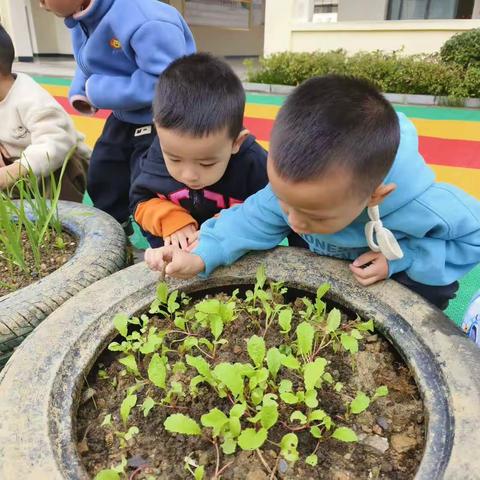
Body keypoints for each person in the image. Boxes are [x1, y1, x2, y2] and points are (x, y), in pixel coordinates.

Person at [144, 75, 480, 310]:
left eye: (314, 214)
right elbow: (249, 220)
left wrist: (402, 259)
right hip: (341, 263)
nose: (295, 222)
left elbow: (473, 235)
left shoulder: (423, 203)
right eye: (284, 202)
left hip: (409, 273)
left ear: (374, 195)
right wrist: (199, 256)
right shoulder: (299, 192)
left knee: (419, 307)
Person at [39, 0, 196, 233]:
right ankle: (116, 231)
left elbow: (166, 79)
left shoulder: (146, 20)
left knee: (151, 180)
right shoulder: (82, 16)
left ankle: (162, 238)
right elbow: (86, 63)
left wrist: (98, 91)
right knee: (104, 169)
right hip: (126, 114)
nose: (42, 5)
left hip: (165, 116)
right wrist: (81, 90)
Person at [130, 53, 269, 250]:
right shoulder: (157, 152)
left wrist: (226, 225)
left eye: (207, 163)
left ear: (236, 142)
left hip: (235, 254)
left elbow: (274, 211)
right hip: (174, 253)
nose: (189, 175)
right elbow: (139, 201)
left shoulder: (255, 165)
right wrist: (170, 219)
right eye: (174, 159)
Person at [0, 24, 88, 201]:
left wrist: (10, 173)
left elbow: (56, 143)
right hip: (20, 167)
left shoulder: (31, 99)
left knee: (59, 166)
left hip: (62, 166)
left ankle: (59, 217)